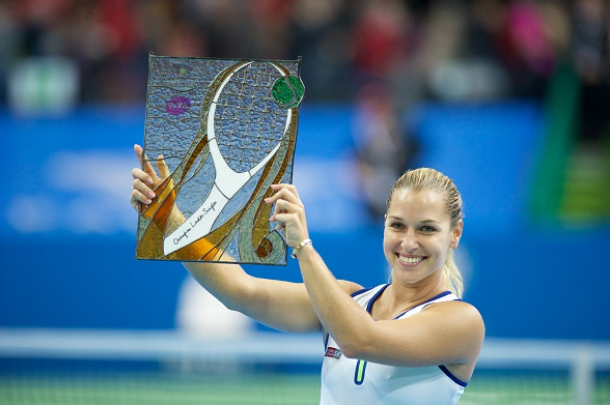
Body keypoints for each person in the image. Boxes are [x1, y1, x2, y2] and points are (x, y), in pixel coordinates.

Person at [130, 144, 485, 405]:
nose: (408, 242)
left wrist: (302, 246)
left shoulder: (461, 322)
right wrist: (170, 222)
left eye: (426, 229)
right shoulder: (347, 300)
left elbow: (360, 340)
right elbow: (241, 291)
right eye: (397, 225)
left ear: (455, 234)